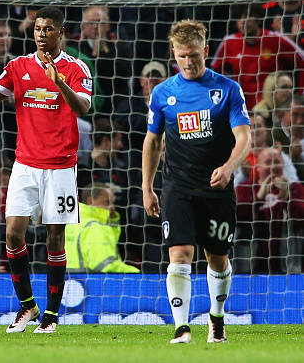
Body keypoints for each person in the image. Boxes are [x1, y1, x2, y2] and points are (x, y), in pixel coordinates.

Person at [0, 6, 92, 333]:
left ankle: (52, 317)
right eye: (37, 29)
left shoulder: (75, 68)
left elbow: (84, 106)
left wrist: (60, 83)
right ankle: (27, 306)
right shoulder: (18, 66)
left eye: (48, 29)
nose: (41, 34)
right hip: (25, 164)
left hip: (60, 168)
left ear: (61, 32)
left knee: (55, 239)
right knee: (13, 233)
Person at [142, 19, 251, 344]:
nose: (189, 62)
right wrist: (147, 187)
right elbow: (152, 141)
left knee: (217, 258)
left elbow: (244, 136)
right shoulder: (163, 93)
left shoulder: (227, 90)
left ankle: (216, 319)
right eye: (182, 56)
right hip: (177, 187)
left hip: (217, 188)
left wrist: (230, 167)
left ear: (205, 50)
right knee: (180, 255)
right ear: (173, 54)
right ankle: (181, 327)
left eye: (194, 55)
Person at [236, 147, 304, 273]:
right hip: (250, 266)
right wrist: (258, 198)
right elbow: (238, 218)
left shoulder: (296, 189)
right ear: (258, 167)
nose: (273, 166)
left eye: (277, 162)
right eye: (268, 162)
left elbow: (301, 219)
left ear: (283, 166)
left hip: (288, 265)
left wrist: (288, 198)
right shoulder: (244, 189)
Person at [65, 183, 140, 273]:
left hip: (68, 281)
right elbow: (106, 266)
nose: (112, 207)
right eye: (107, 202)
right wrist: (136, 273)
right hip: (92, 283)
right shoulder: (95, 227)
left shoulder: (70, 224)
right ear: (90, 201)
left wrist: (112, 223)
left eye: (113, 202)